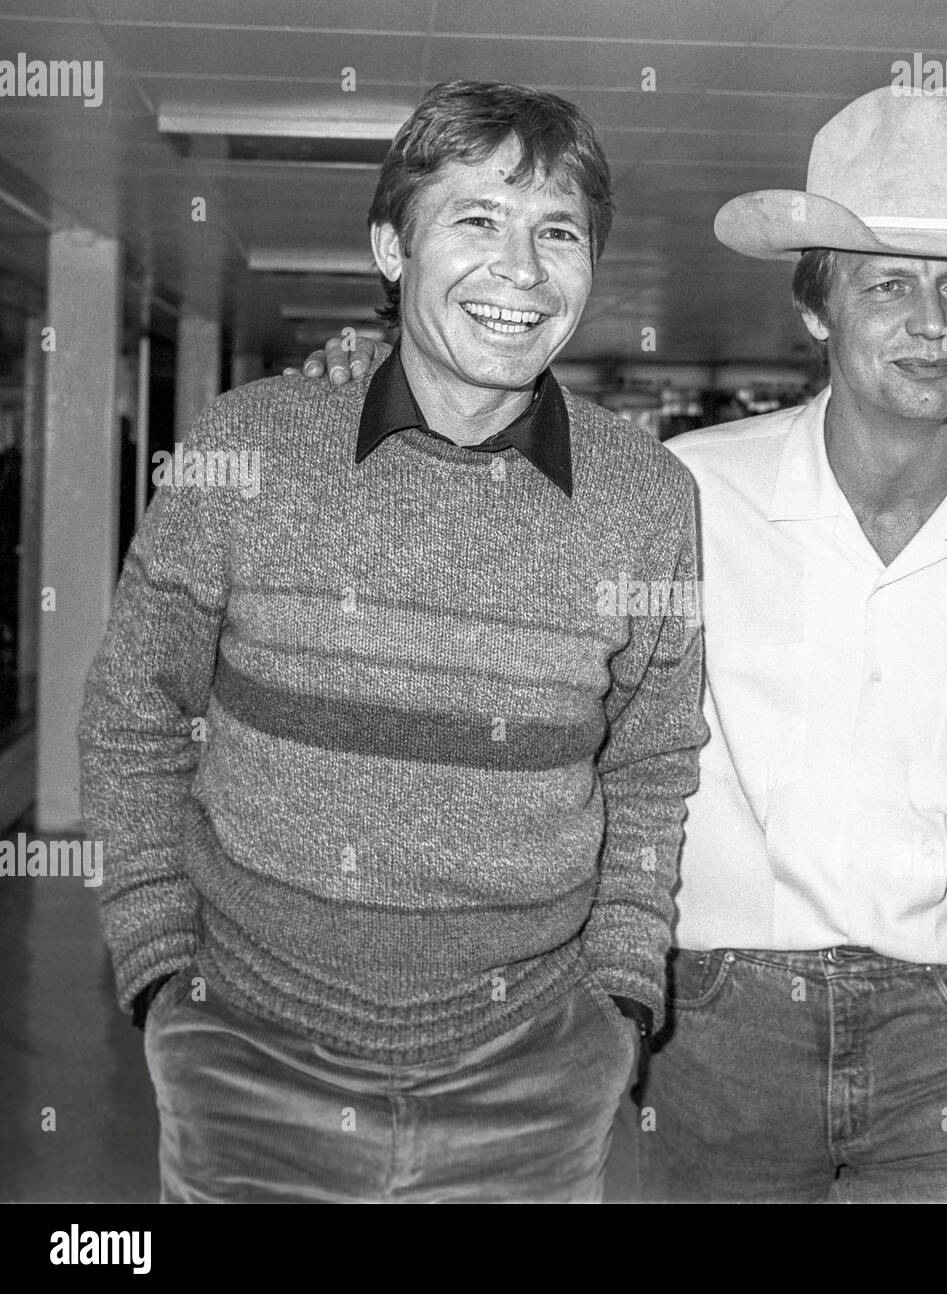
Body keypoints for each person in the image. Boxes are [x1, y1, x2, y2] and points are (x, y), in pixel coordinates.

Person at [301, 86, 947, 1204]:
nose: (932, 322)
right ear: (816, 308)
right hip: (714, 1026)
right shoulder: (689, 492)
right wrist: (363, 401)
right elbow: (494, 570)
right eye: (887, 284)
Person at [79, 79, 705, 1204]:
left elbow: (651, 764)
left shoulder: (648, 499)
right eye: (476, 219)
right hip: (248, 1065)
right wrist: (159, 972)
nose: (521, 269)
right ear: (389, 246)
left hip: (532, 1081)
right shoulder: (246, 450)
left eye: (556, 231)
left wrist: (620, 999)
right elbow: (135, 709)